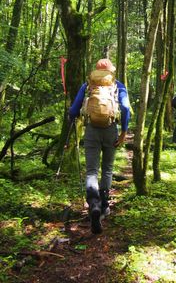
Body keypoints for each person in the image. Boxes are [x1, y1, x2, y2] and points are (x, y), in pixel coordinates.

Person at [69, 58, 130, 234]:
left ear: (96, 71)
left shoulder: (88, 85)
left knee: (91, 171)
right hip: (111, 129)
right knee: (108, 169)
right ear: (111, 71)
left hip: (91, 131)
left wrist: (71, 116)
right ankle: (104, 205)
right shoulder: (118, 85)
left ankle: (93, 204)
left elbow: (74, 110)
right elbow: (125, 108)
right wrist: (124, 131)